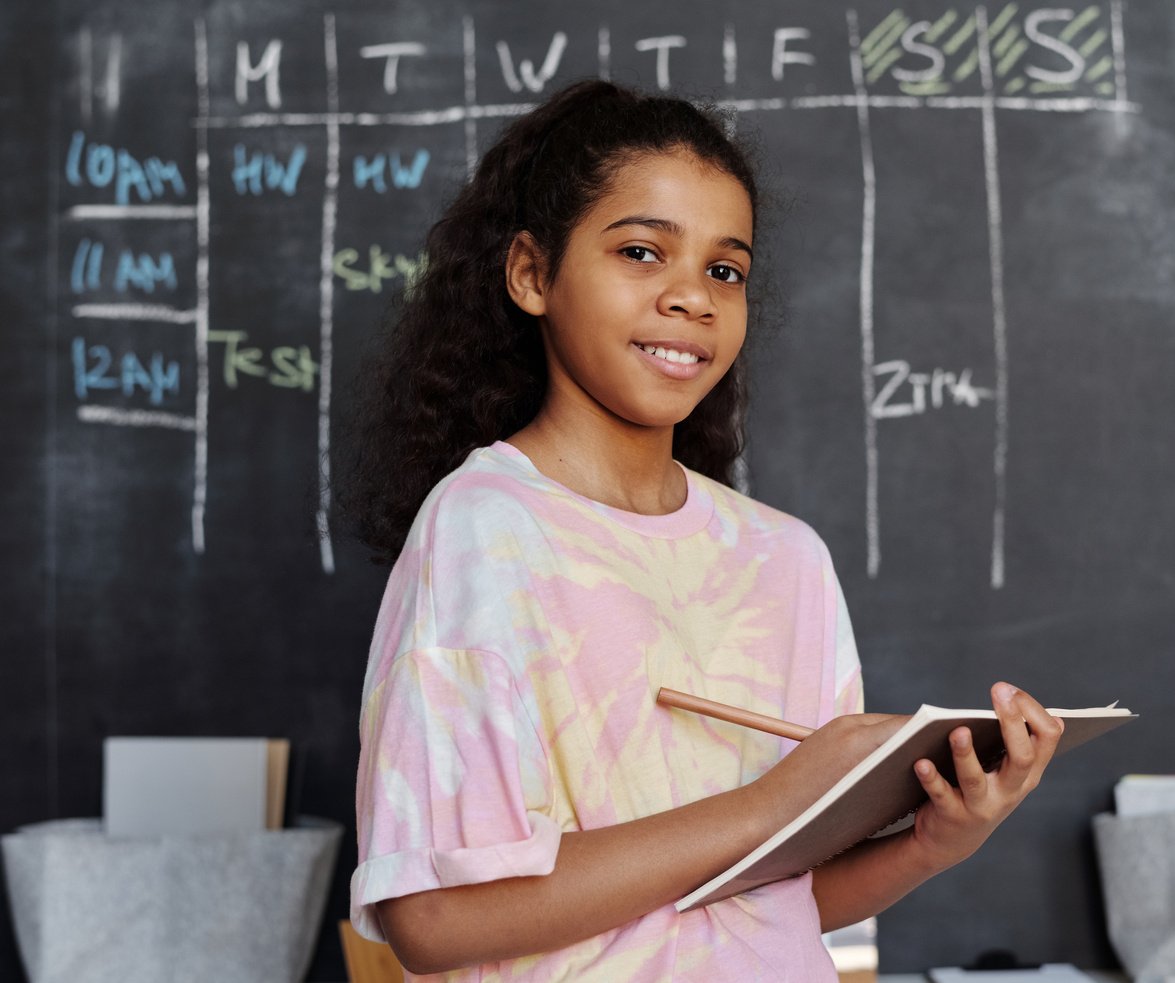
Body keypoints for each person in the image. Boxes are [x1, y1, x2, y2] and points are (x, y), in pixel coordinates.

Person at [339, 79, 1064, 981]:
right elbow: (433, 919)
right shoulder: (482, 535)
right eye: (643, 251)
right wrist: (770, 803)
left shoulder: (786, 558)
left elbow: (781, 902)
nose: (693, 298)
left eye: (725, 270)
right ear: (532, 273)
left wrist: (932, 841)